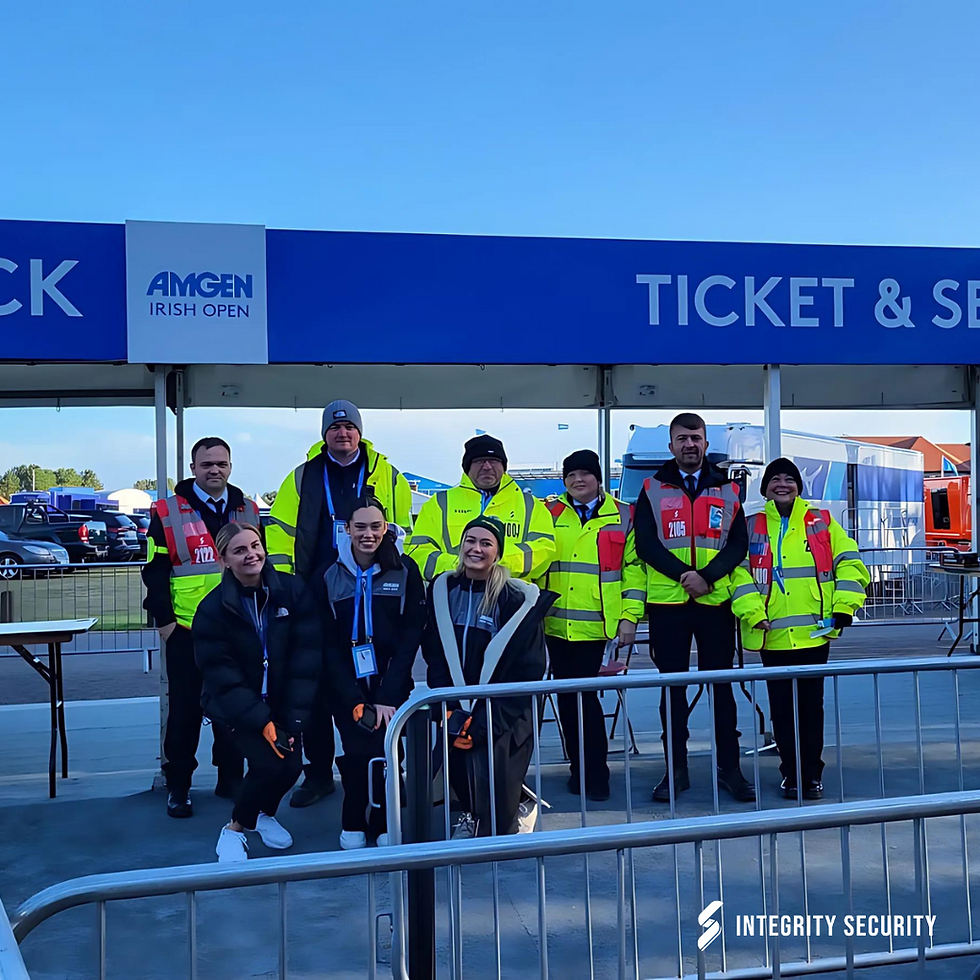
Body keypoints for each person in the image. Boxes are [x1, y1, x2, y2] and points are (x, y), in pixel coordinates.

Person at [266, 400, 413, 808]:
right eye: (334, 428)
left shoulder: (388, 475)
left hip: (372, 589)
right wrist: (288, 587)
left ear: (360, 432)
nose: (342, 433)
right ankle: (318, 774)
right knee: (315, 687)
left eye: (349, 426)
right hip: (316, 592)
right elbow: (279, 533)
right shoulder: (303, 476)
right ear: (324, 435)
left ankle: (384, 771)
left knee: (375, 684)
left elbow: (404, 532)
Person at [633, 413, 755, 803]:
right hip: (668, 606)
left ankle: (730, 770)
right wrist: (686, 576)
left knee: (722, 689)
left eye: (696, 438)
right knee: (672, 691)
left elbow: (738, 544)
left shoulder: (728, 489)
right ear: (671, 445)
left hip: (714, 605)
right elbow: (645, 544)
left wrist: (708, 577)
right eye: (682, 439)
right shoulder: (651, 488)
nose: (690, 444)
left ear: (706, 443)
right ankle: (676, 772)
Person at [730, 458, 869, 800]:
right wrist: (752, 612)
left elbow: (850, 563)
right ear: (765, 488)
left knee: (810, 709)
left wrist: (844, 606)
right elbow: (738, 573)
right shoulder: (750, 525)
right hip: (771, 634)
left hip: (814, 635)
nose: (782, 484)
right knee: (782, 711)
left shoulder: (822, 521)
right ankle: (791, 774)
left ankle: (811, 776)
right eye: (775, 479)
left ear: (798, 486)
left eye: (789, 479)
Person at [142, 437, 259, 818]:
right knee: (185, 712)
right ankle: (179, 785)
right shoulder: (167, 511)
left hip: (237, 626)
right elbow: (154, 570)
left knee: (236, 705)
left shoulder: (247, 509)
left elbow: (258, 564)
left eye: (221, 464)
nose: (215, 470)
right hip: (186, 629)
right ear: (193, 468)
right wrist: (164, 622)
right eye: (207, 464)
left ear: (230, 467)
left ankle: (231, 779)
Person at [192, 523, 321, 862]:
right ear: (224, 560)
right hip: (237, 706)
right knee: (266, 765)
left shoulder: (293, 591)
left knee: (291, 768)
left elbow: (306, 657)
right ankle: (234, 828)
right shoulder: (212, 609)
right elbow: (221, 673)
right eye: (239, 550)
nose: (251, 554)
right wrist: (261, 720)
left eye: (255, 545)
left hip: (282, 702)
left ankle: (264, 813)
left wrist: (291, 718)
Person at [422, 515, 556, 837]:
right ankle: (470, 816)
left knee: (498, 786)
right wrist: (448, 705)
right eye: (470, 541)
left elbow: (527, 667)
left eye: (486, 543)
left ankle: (517, 806)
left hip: (503, 709)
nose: (476, 549)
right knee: (459, 768)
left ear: (498, 552)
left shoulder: (514, 600)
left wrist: (484, 720)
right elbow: (435, 652)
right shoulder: (444, 592)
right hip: (458, 703)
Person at [320, 496, 426, 849]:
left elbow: (411, 635)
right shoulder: (329, 572)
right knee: (355, 750)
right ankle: (353, 817)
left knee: (387, 750)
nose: (368, 534)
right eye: (360, 527)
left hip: (390, 683)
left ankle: (384, 819)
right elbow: (326, 642)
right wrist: (351, 696)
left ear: (386, 528)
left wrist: (387, 694)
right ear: (347, 529)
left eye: (376, 526)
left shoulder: (405, 569)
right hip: (345, 684)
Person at [544, 450, 646, 801]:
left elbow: (635, 572)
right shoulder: (548, 513)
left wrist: (629, 617)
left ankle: (597, 774)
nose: (578, 480)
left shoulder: (623, 515)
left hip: (598, 627)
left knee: (587, 701)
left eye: (585, 473)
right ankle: (578, 771)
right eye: (571, 475)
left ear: (598, 478)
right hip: (555, 625)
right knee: (568, 702)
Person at [407, 433, 556, 583]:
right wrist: (461, 566)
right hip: (452, 591)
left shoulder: (531, 505)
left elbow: (544, 549)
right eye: (479, 461)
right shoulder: (439, 503)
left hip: (511, 593)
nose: (487, 466)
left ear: (503, 466)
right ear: (467, 467)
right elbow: (417, 551)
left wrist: (492, 561)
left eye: (494, 460)